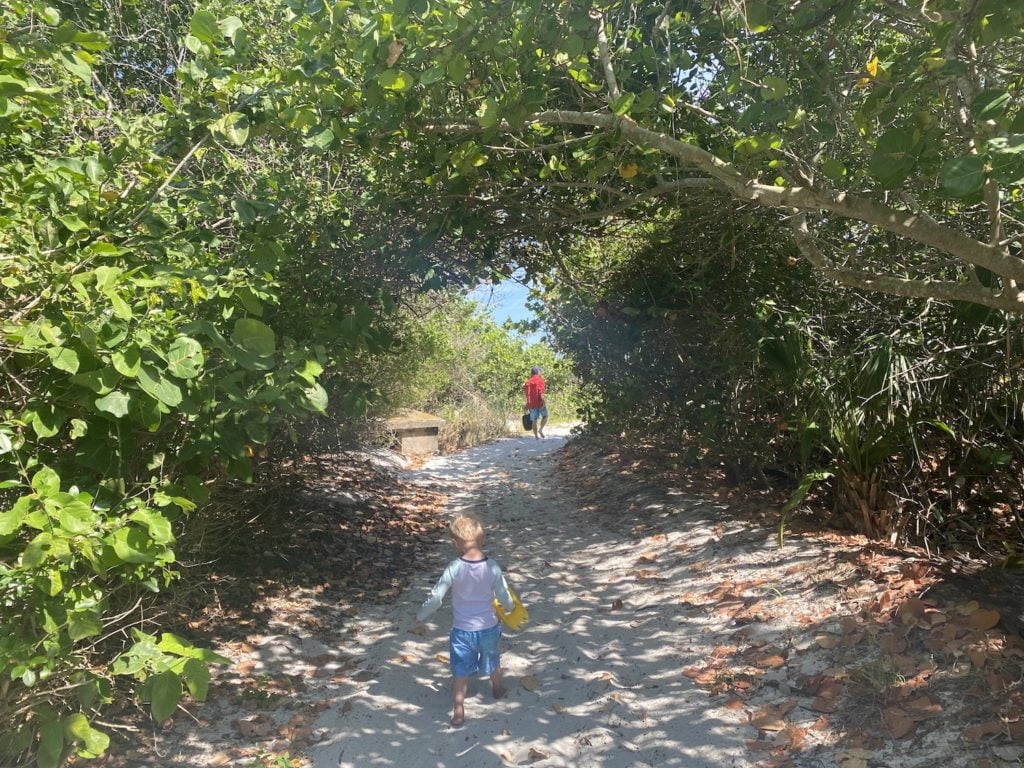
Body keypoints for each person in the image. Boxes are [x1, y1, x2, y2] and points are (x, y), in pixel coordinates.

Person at [416, 514, 515, 726]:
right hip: (488, 627)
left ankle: (459, 709)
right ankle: (497, 689)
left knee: (460, 671)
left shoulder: (454, 567)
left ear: (455, 543)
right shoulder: (492, 566)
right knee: (492, 659)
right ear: (483, 538)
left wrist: (421, 615)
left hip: (461, 631)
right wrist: (510, 608)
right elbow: (504, 594)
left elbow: (436, 597)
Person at [524, 365, 547, 439]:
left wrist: (527, 404)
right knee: (545, 416)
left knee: (534, 420)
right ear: (538, 372)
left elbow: (527, 394)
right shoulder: (540, 381)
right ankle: (540, 430)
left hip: (531, 404)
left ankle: (536, 436)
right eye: (540, 371)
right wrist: (544, 402)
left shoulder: (527, 382)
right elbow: (541, 393)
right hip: (540, 403)